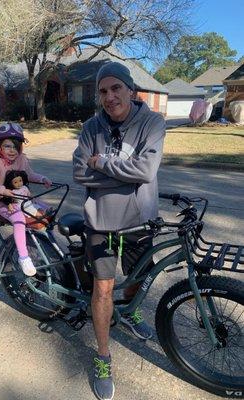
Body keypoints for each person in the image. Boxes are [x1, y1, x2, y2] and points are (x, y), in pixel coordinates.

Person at [73, 62, 166, 400]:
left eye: (116, 88)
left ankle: (129, 312)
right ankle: (102, 356)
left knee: (139, 280)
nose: (109, 97)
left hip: (139, 220)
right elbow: (79, 173)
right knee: (102, 292)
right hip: (100, 223)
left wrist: (102, 164)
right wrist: (124, 174)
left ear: (130, 89)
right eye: (102, 91)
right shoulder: (90, 128)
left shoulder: (152, 122)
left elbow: (146, 169)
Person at [0, 122, 52, 277]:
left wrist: (42, 179)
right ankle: (24, 257)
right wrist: (3, 191)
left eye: (16, 146)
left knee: (46, 210)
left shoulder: (21, 159)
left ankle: (49, 244)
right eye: (7, 146)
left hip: (21, 198)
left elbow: (29, 175)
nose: (12, 150)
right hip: (3, 203)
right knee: (19, 219)